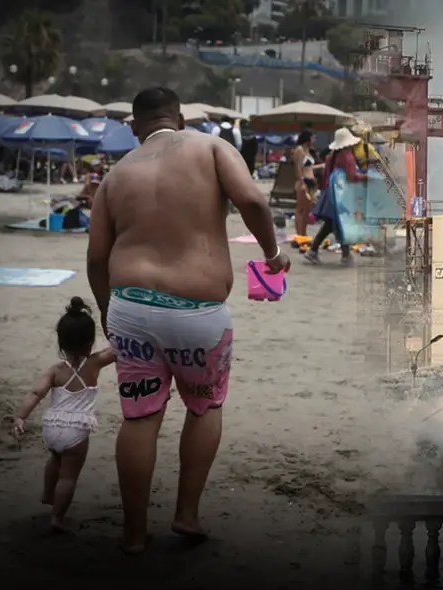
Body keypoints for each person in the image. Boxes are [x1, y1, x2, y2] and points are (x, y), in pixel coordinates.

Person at [86, 86, 291, 554]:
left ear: (134, 126)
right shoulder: (213, 147)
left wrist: (106, 311)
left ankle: (134, 534)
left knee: (139, 419)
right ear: (178, 119)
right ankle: (186, 514)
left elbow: (97, 259)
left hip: (130, 309)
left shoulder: (115, 176)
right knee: (205, 407)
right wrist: (273, 255)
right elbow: (254, 203)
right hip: (199, 313)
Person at [11, 297, 116, 533]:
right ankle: (57, 517)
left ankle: (48, 494)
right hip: (76, 431)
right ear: (90, 342)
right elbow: (117, 350)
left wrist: (20, 417)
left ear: (61, 341)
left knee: (55, 460)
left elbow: (36, 393)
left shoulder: (55, 371)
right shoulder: (94, 364)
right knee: (68, 477)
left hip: (52, 427)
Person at [303, 127, 367, 266]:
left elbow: (327, 176)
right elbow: (352, 177)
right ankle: (343, 255)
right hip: (341, 194)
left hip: (331, 193)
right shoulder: (348, 156)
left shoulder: (332, 155)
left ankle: (319, 252)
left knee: (332, 224)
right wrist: (367, 177)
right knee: (340, 224)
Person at [292, 130, 318, 237]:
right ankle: (300, 233)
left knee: (307, 210)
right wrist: (302, 182)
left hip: (311, 181)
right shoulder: (299, 150)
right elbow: (298, 168)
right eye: (313, 138)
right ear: (308, 138)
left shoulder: (308, 150)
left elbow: (309, 167)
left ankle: (304, 232)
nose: (314, 140)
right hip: (304, 181)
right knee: (301, 209)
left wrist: (320, 166)